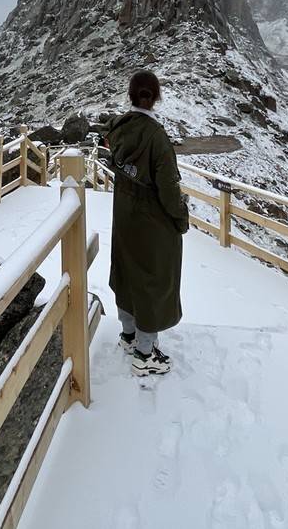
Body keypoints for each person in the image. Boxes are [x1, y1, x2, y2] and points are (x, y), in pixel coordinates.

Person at [105, 69, 188, 376]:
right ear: (157, 97)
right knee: (152, 282)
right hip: (152, 223)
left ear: (131, 95)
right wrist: (181, 218)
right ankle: (145, 353)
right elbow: (168, 190)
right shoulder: (156, 137)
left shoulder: (118, 129)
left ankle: (128, 336)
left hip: (124, 219)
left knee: (127, 274)